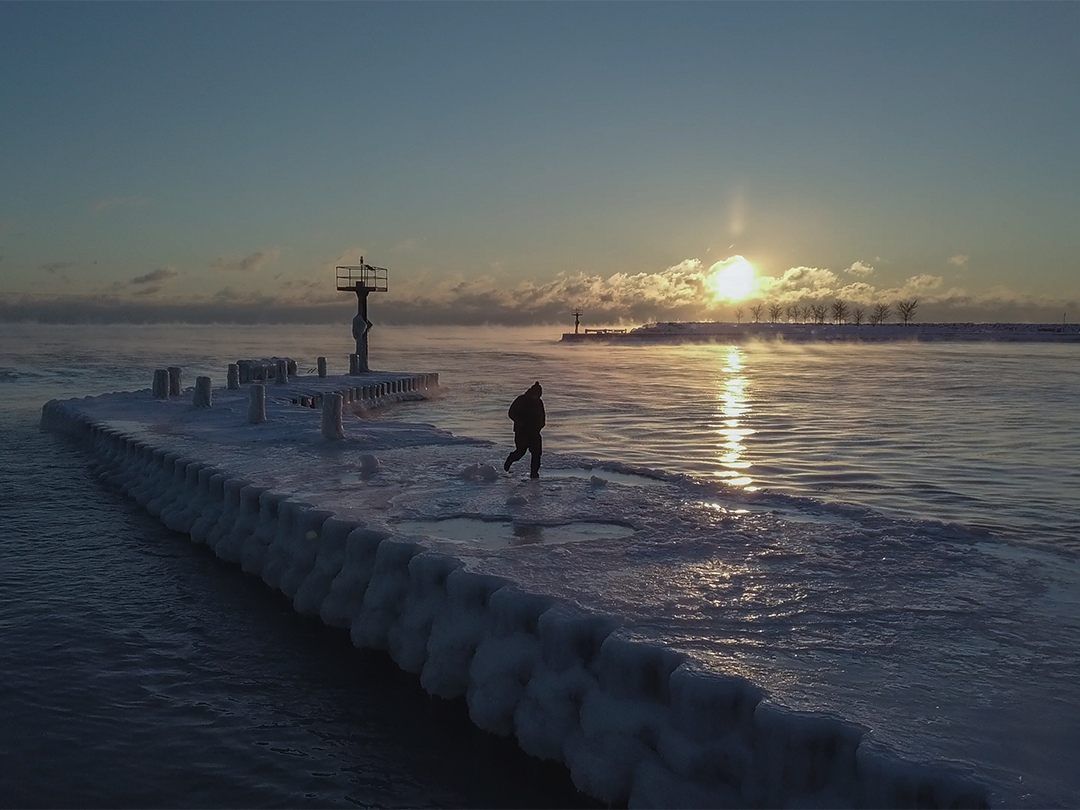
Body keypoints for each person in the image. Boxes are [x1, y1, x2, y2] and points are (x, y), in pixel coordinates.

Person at [504, 381, 545, 478]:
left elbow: (543, 416)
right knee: (520, 452)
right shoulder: (521, 399)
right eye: (536, 394)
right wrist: (520, 422)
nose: (537, 397)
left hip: (535, 432)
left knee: (537, 453)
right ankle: (510, 460)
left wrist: (540, 426)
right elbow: (511, 413)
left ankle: (534, 473)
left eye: (539, 395)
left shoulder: (539, 402)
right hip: (521, 432)